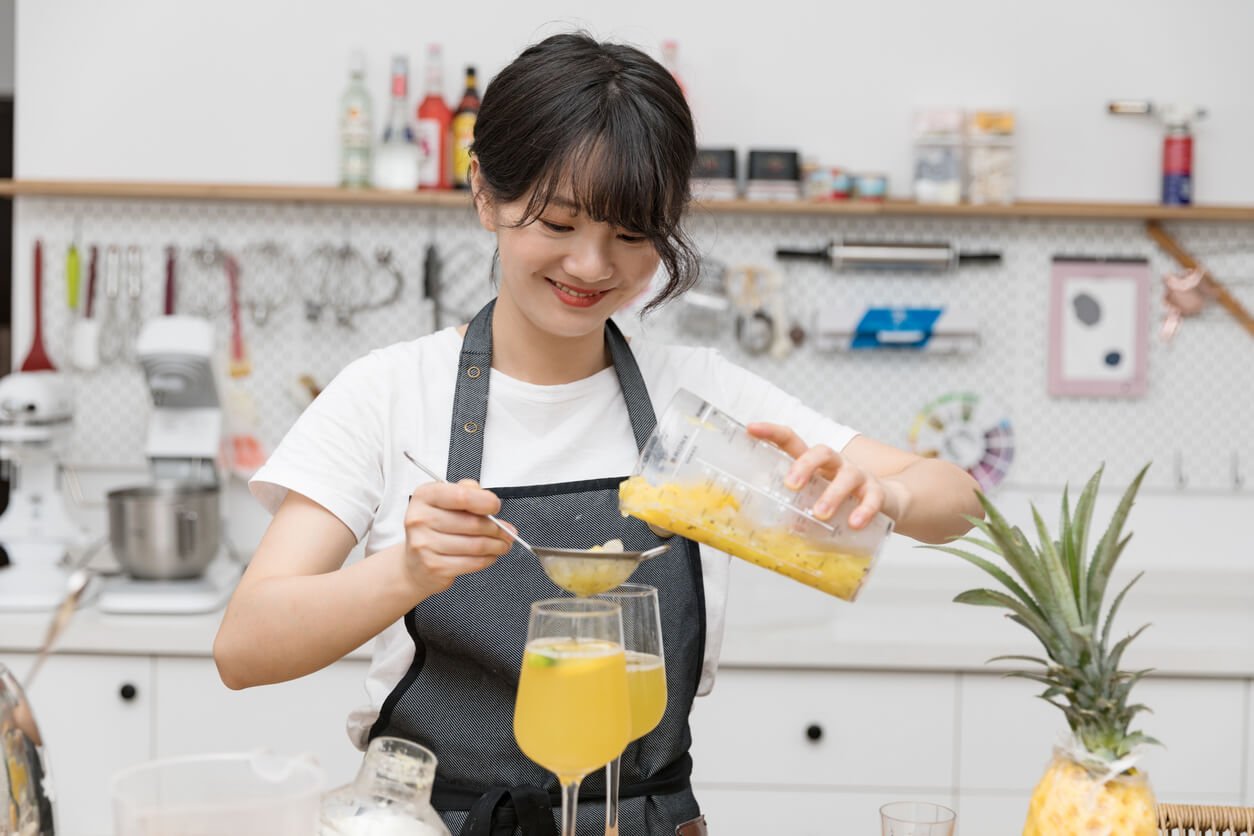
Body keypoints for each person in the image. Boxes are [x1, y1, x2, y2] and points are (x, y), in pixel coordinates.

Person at [213, 31, 982, 836]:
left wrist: (885, 492)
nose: (590, 265)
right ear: (485, 194)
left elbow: (959, 502)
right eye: (559, 222)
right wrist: (406, 570)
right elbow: (245, 647)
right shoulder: (390, 394)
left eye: (629, 233)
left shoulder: (695, 393)